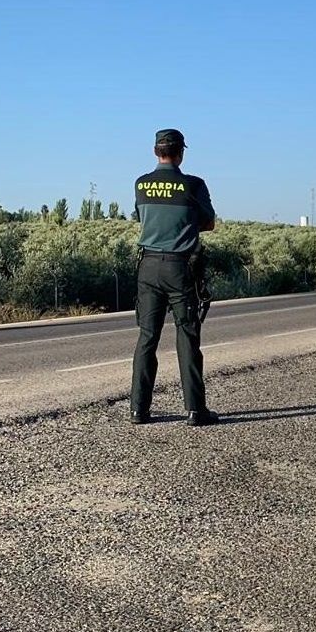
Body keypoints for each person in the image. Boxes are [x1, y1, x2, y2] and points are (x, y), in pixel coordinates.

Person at [129, 128, 219, 426]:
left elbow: (141, 218)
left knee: (147, 338)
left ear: (156, 151)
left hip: (148, 268)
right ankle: (195, 410)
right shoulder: (193, 185)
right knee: (187, 336)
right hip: (180, 268)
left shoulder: (141, 184)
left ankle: (138, 410)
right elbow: (209, 223)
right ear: (180, 153)